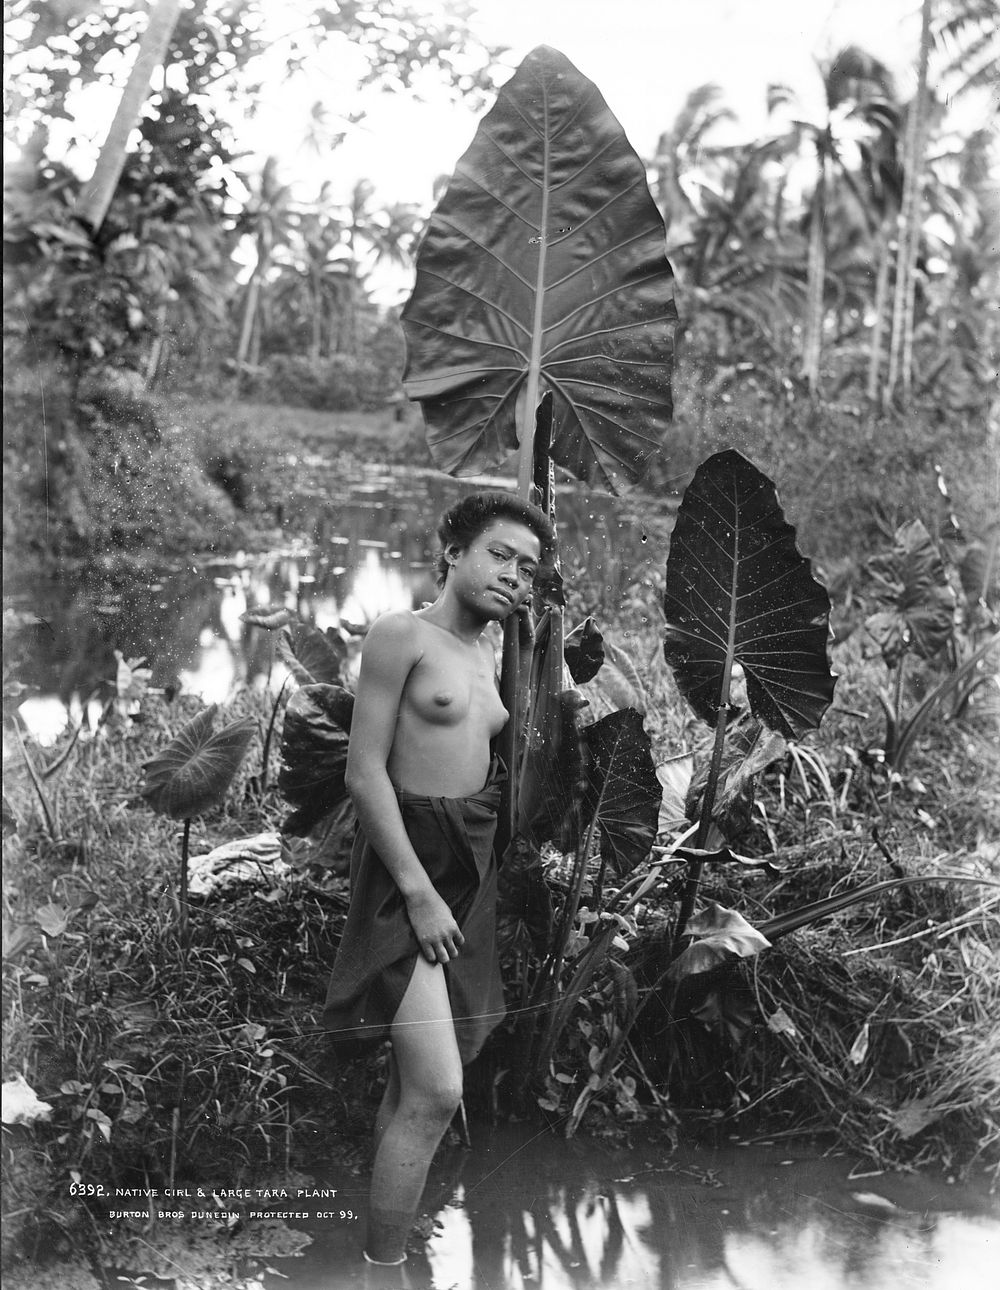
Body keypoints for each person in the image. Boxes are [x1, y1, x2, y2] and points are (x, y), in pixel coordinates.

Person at [322, 491, 554, 1271]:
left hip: (467, 881)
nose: (514, 576)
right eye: (499, 553)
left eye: (527, 567)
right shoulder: (402, 637)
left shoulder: (497, 658)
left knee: (410, 1086)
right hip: (404, 879)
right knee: (436, 1090)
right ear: (452, 550)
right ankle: (382, 1270)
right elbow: (364, 774)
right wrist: (417, 893)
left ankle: (377, 1256)